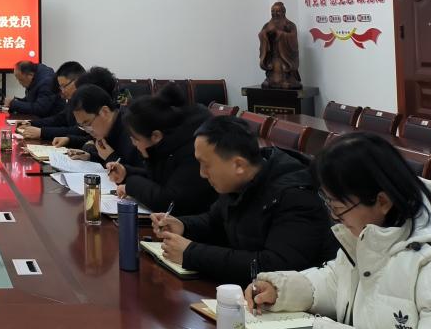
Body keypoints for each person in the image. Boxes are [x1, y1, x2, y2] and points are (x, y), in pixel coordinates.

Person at [246, 133, 431, 329]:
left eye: (338, 208)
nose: (335, 218)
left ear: (382, 202)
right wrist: (281, 291)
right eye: (329, 204)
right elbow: (338, 281)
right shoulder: (373, 232)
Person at [152, 116, 336, 285]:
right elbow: (215, 222)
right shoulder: (240, 182)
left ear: (238, 165)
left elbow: (275, 267)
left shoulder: (295, 196)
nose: (202, 173)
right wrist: (184, 226)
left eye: (206, 165)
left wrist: (191, 254)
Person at [105, 83, 217, 215]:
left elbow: (170, 201)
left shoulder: (192, 147)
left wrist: (131, 185)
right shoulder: (167, 141)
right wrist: (126, 173)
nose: (134, 144)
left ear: (156, 136)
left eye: (136, 139)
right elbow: (162, 179)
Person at [66, 83, 140, 167]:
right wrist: (90, 157)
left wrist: (110, 157)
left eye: (87, 123)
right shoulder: (107, 128)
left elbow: (143, 173)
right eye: (82, 126)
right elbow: (114, 158)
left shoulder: (133, 132)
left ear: (105, 112)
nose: (87, 130)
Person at [16, 60, 86, 142]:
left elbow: (80, 131)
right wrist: (32, 123)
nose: (62, 92)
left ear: (77, 81)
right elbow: (60, 119)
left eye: (64, 86)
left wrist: (42, 132)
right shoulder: (73, 99)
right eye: (60, 87)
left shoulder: (88, 99)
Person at [259, 1, 301, 89]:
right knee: (271, 67)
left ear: (283, 12)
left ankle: (287, 79)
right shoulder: (267, 25)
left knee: (284, 67)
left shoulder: (290, 25)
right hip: (272, 55)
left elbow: (293, 39)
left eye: (278, 11)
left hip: (284, 56)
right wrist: (265, 34)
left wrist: (279, 33)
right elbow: (261, 34)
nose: (275, 13)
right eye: (272, 11)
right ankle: (270, 79)